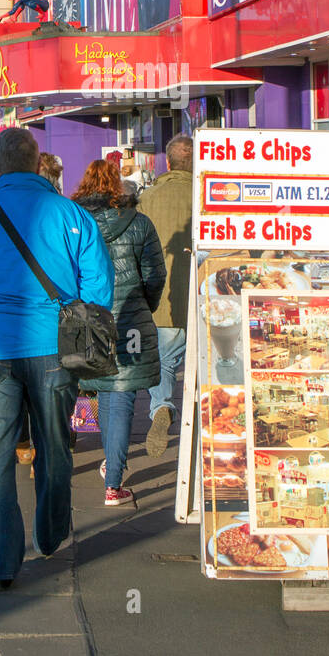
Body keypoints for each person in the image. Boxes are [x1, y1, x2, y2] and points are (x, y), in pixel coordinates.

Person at [0, 127, 113, 590]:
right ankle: (51, 533)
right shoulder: (72, 216)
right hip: (55, 348)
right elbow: (99, 288)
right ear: (39, 165)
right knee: (55, 447)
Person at [72, 158, 166, 506]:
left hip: (88, 316)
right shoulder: (139, 224)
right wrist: (145, 305)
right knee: (123, 394)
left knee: (100, 389)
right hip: (130, 315)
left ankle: (111, 466)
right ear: (118, 187)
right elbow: (156, 274)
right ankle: (114, 481)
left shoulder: (74, 222)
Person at [140, 134, 193, 457]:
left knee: (165, 361)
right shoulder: (208, 195)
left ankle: (162, 405)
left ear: (168, 163)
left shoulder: (149, 198)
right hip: (208, 296)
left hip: (165, 299)